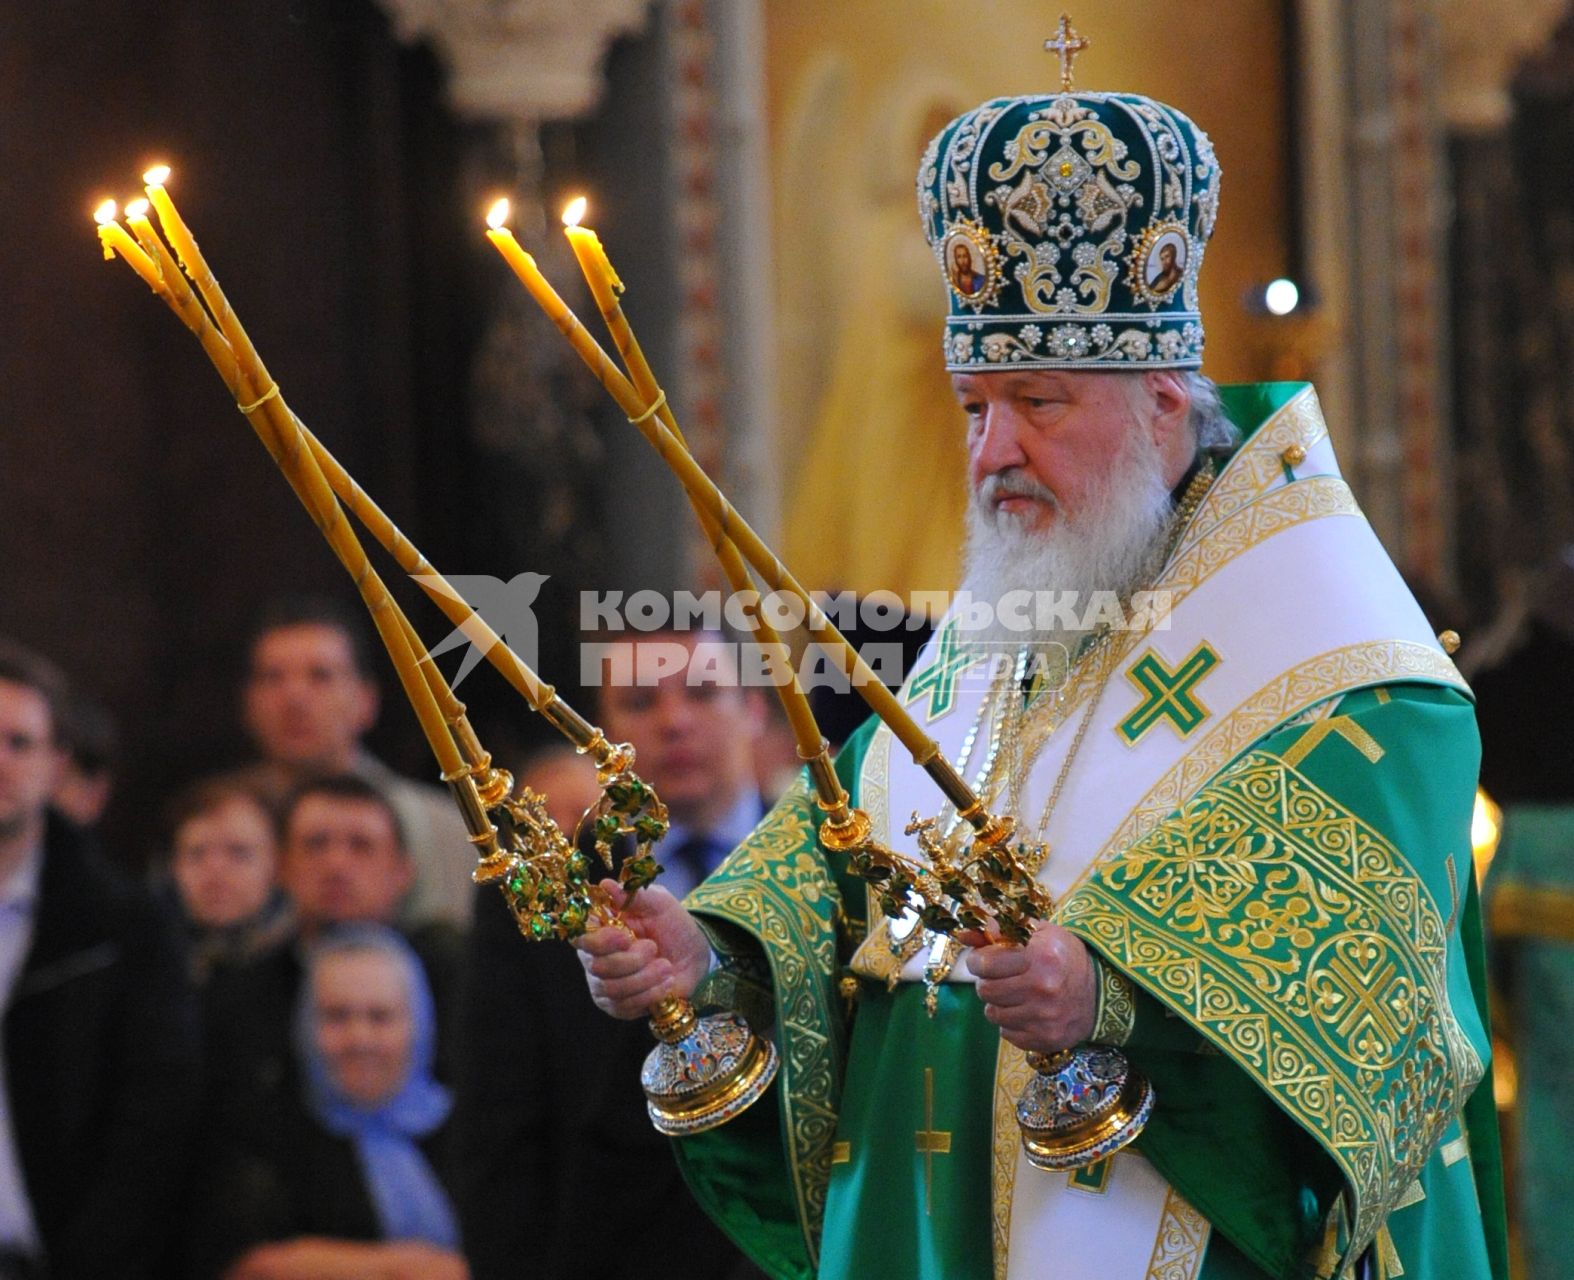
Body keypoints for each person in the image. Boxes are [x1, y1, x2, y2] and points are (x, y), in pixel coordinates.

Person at [573, 72, 1506, 1280]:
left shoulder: (1344, 652)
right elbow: (851, 856)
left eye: (1038, 401)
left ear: (1166, 401)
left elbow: (1360, 976)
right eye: (972, 406)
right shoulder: (1018, 601)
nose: (989, 450)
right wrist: (711, 960)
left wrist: (1113, 992)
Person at [455, 630, 768, 1280]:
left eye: (703, 693)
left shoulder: (826, 870)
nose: (674, 722)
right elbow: (501, 1128)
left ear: (755, 710)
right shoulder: (541, 890)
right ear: (599, 731)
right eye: (639, 701)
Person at [0, 638, 199, 1279]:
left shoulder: (127, 929)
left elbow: (153, 1128)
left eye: (19, 742)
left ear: (58, 764)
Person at [193, 924, 466, 1280]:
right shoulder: (264, 1130)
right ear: (305, 1027)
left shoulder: (468, 1130)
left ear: (418, 1025)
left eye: (380, 1017)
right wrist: (405, 1269)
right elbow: (246, 1263)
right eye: (337, 1017)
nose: (359, 1038)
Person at [204, 775, 463, 1145]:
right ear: (282, 868)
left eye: (361, 846)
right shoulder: (235, 1000)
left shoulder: (459, 987)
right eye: (316, 845)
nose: (337, 864)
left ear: (403, 872)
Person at [227, 596, 473, 926]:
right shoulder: (209, 829)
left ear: (365, 700)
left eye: (320, 676)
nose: (294, 698)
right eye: (273, 678)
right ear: (249, 703)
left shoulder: (446, 831)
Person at [163, 778, 292, 984]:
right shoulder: (150, 958)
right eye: (197, 853)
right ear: (174, 867)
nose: (215, 870)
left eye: (238, 852)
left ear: (278, 866)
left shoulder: (305, 966)